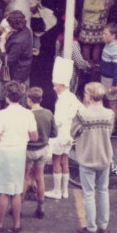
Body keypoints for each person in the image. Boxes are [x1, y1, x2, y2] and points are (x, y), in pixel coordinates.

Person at [0, 80, 39, 233]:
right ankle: (17, 224)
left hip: (3, 153)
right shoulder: (28, 114)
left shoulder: (2, 114)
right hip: (19, 152)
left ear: (6, 96)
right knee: (16, 190)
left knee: (3, 191)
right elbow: (34, 136)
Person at [71, 81, 115, 233]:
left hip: (88, 157)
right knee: (103, 191)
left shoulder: (83, 114)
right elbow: (109, 132)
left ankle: (91, 227)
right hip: (104, 157)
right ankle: (103, 225)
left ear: (89, 96)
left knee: (88, 193)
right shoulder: (109, 114)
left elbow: (73, 132)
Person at [44, 57, 81, 200]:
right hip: (70, 134)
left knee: (56, 160)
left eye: (56, 85)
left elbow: (58, 120)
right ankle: (65, 191)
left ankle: (57, 190)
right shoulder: (72, 96)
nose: (54, 88)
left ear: (63, 84)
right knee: (64, 160)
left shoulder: (62, 100)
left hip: (61, 133)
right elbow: (81, 110)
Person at [24, 86, 57, 215]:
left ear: (29, 100)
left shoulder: (28, 114)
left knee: (25, 178)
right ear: (41, 99)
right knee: (40, 177)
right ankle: (41, 207)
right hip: (43, 149)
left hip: (29, 150)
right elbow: (54, 133)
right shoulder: (48, 113)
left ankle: (17, 206)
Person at [80, 0, 113, 65]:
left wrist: (110, 4)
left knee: (98, 43)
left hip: (101, 21)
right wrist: (103, 7)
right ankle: (86, 64)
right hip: (90, 21)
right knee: (87, 44)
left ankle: (95, 63)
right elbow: (86, 6)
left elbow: (108, 2)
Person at [99, 23, 117, 134]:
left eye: (106, 34)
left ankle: (112, 127)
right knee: (105, 101)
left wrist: (114, 85)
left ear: (113, 35)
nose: (103, 36)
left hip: (110, 81)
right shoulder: (108, 44)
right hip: (104, 78)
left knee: (112, 103)